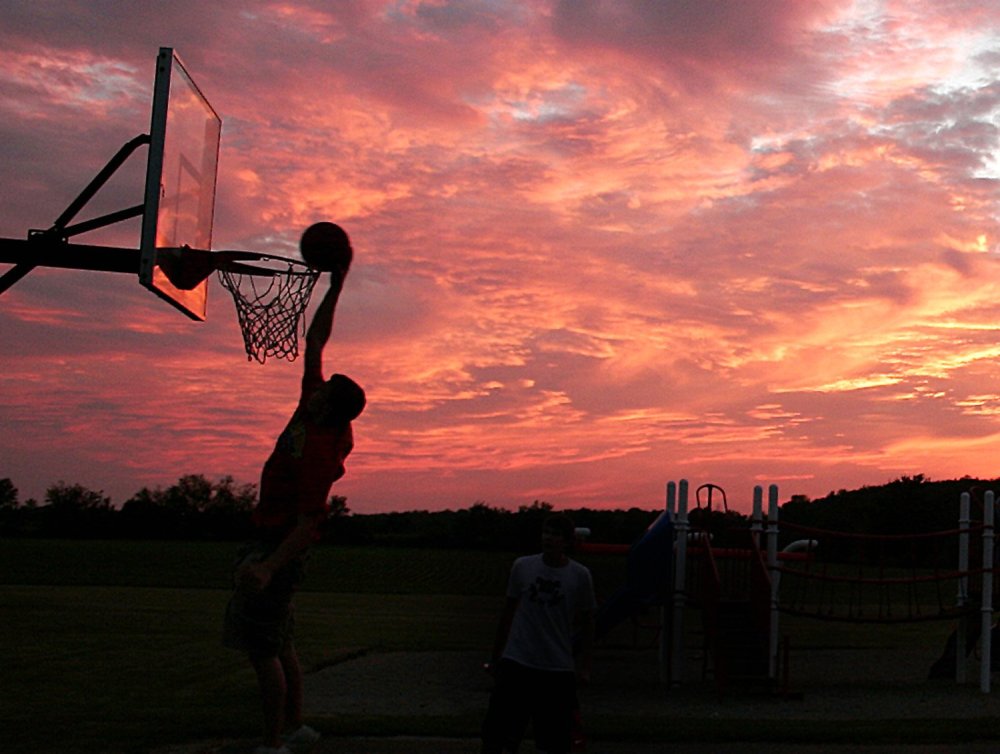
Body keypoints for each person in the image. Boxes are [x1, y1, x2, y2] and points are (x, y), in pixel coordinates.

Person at [223, 249, 365, 754]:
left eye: (322, 396)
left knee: (262, 650)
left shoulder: (321, 454)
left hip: (277, 545)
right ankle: (295, 729)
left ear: (332, 413)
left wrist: (268, 566)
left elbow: (309, 523)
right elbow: (315, 340)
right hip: (271, 541)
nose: (312, 393)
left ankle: (271, 743)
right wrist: (336, 283)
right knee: (279, 642)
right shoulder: (314, 411)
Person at [482, 513, 597, 754]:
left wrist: (585, 666)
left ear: (566, 541)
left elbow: (588, 623)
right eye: (546, 532)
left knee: (555, 739)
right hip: (518, 661)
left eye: (556, 534)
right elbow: (508, 613)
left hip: (556, 667)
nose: (549, 538)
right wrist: (497, 657)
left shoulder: (579, 576)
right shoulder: (523, 566)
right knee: (499, 734)